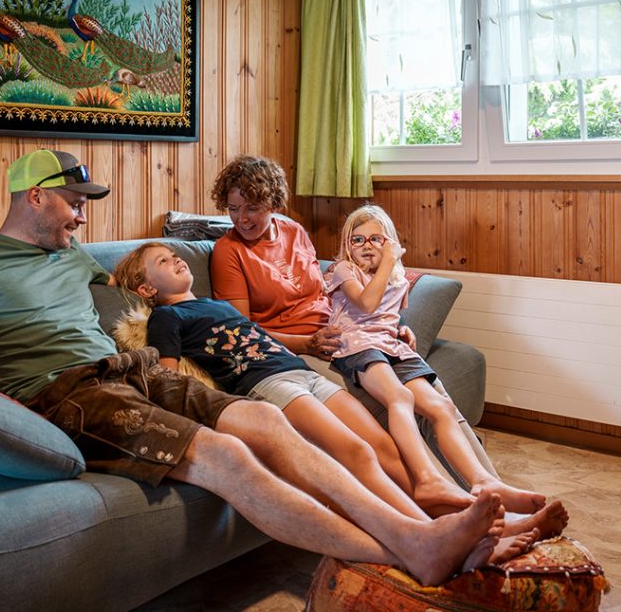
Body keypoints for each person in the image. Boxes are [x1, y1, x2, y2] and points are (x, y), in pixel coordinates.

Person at [0, 148, 506, 587]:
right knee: (229, 457)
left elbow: (148, 288)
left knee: (265, 422)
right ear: (36, 197)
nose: (84, 216)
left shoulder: (74, 258)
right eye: (75, 202)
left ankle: (421, 527)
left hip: (133, 368)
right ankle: (410, 549)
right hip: (60, 393)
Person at [208, 156, 567, 538]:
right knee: (393, 404)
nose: (242, 218)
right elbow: (242, 330)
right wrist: (307, 343)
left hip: (345, 333)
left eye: (252, 208)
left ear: (272, 202)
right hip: (300, 350)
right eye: (233, 209)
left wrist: (390, 328)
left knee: (434, 398)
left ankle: (491, 493)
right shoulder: (229, 253)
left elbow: (335, 294)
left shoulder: (294, 231)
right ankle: (461, 521)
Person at [118, 241, 540, 563]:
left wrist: (308, 343)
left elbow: (263, 335)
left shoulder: (215, 304)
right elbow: (168, 375)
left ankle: (458, 514)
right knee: (353, 451)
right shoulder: (166, 318)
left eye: (175, 254)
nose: (176, 260)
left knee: (385, 445)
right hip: (266, 386)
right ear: (146, 288)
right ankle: (427, 532)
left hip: (300, 370)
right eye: (162, 262)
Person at [327, 204, 567, 518]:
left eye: (376, 239)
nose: (367, 246)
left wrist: (401, 327)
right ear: (347, 246)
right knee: (400, 397)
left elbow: (384, 316)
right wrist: (388, 261)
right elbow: (366, 303)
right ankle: (427, 479)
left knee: (441, 407)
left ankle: (483, 482)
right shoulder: (345, 271)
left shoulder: (397, 280)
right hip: (356, 346)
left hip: (391, 346)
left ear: (389, 240)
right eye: (358, 240)